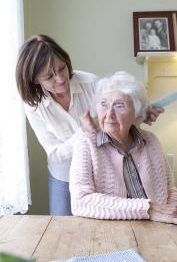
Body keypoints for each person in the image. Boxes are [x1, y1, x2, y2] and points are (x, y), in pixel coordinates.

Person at [15, 35, 164, 216]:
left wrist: (140, 115)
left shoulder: (90, 82)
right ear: (35, 80)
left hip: (99, 167)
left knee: (104, 220)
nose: (60, 78)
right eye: (49, 76)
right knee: (64, 230)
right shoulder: (34, 106)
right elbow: (55, 155)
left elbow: (114, 118)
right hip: (64, 174)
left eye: (62, 68)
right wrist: (83, 132)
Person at [70, 71, 177, 224]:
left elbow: (170, 189)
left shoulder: (150, 141)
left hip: (157, 228)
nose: (109, 114)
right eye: (103, 104)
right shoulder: (86, 143)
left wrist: (171, 213)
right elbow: (80, 202)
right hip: (110, 233)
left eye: (119, 106)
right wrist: (148, 209)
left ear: (136, 112)